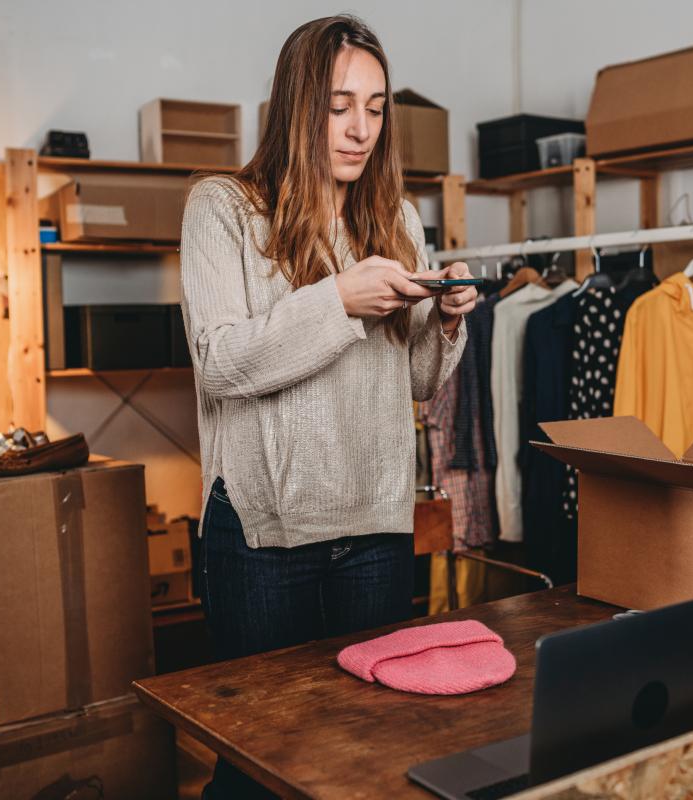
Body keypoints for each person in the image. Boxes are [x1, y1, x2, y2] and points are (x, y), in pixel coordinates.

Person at [179, 14, 477, 798]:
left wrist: (446, 324)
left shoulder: (397, 221)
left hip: (375, 528)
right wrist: (339, 300)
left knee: (366, 751)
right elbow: (221, 364)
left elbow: (414, 381)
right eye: (339, 104)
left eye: (376, 108)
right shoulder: (224, 210)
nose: (360, 129)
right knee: (259, 767)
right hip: (263, 535)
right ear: (296, 102)